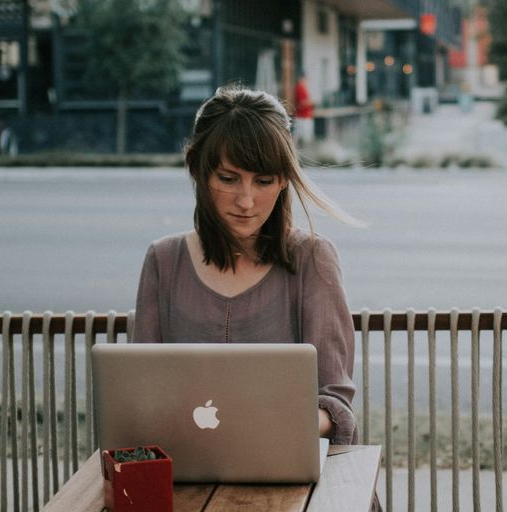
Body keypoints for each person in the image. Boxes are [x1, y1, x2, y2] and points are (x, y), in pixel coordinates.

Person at [132, 86, 359, 445]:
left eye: (264, 181)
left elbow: (335, 404)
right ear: (197, 170)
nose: (247, 200)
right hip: (187, 474)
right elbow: (140, 392)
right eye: (228, 178)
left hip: (291, 478)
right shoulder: (163, 261)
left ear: (284, 179)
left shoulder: (313, 259)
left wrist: (268, 425)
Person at [293, 75, 315, 146]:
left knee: (299, 134)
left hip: (304, 115)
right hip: (302, 116)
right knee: (302, 135)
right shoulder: (300, 88)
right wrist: (311, 102)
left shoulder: (303, 88)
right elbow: (302, 103)